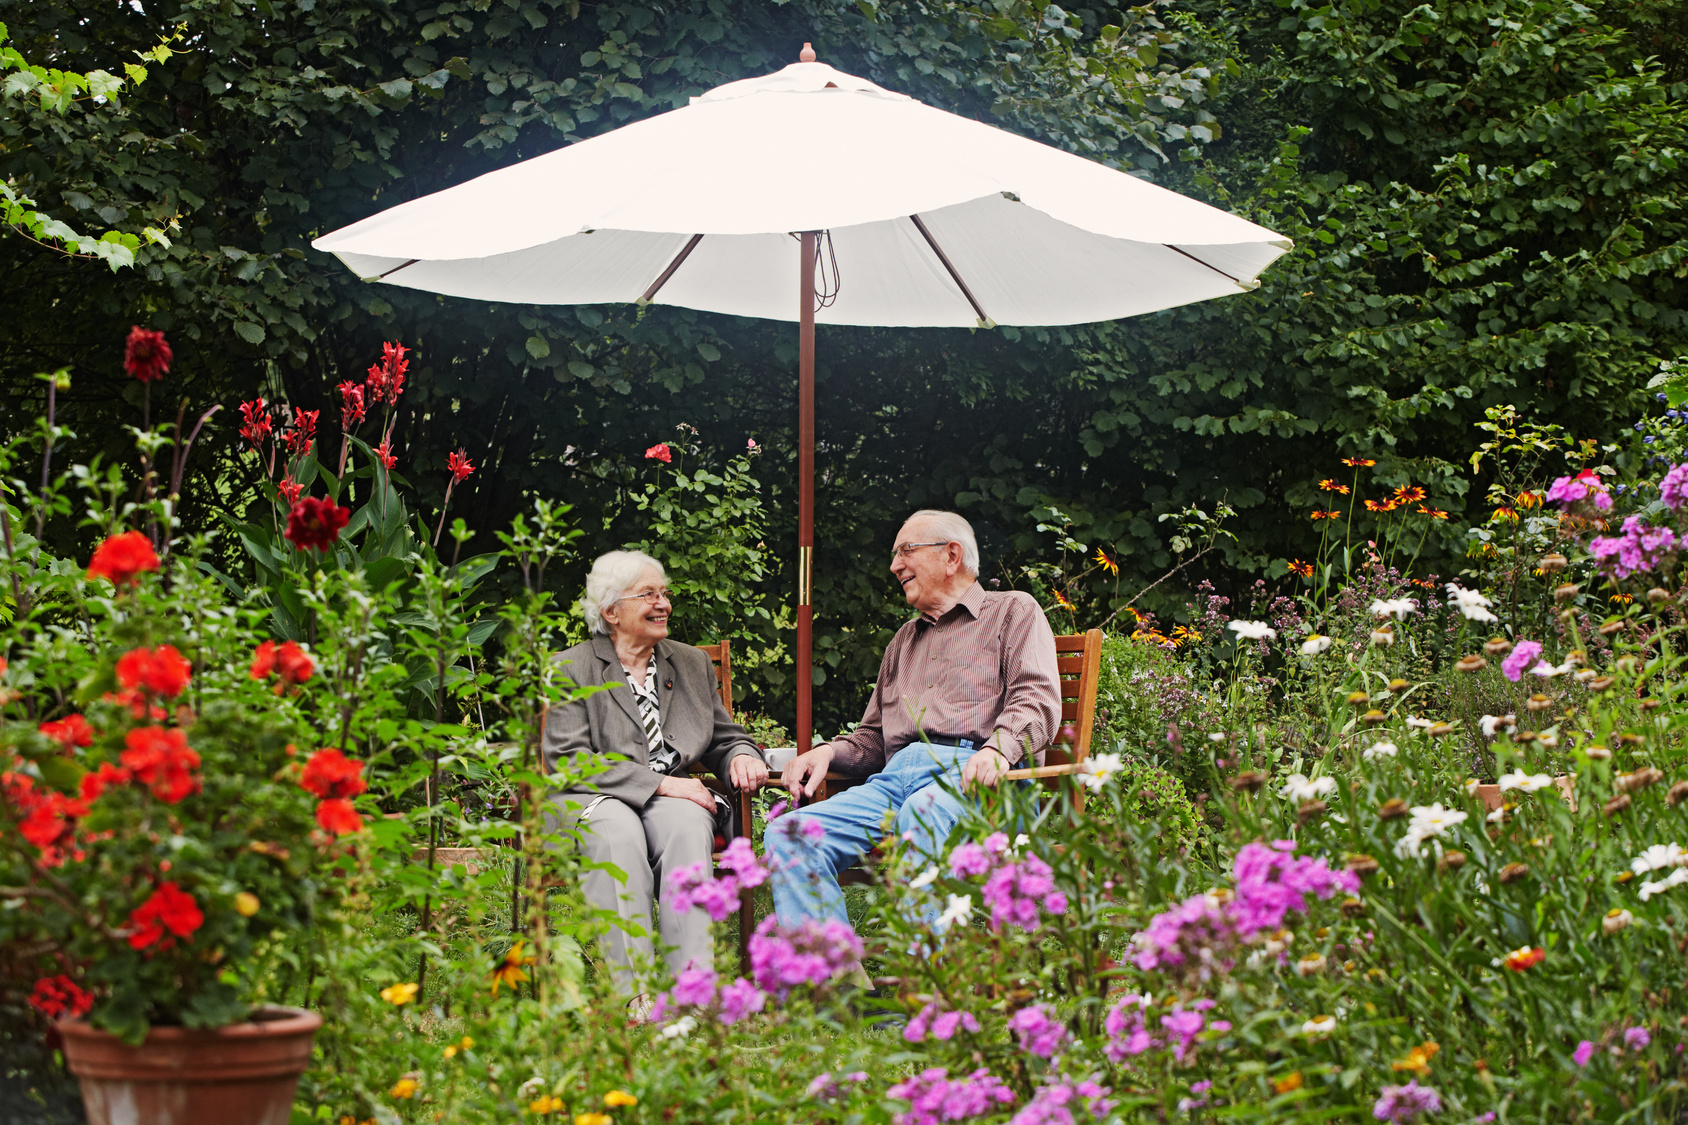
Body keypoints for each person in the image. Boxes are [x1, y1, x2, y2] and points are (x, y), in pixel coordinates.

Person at [767, 510, 1061, 926]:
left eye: (905, 550)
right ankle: (833, 980)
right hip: (896, 782)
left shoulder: (1014, 611)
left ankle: (928, 981)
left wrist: (999, 749)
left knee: (921, 813)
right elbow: (873, 738)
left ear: (952, 555)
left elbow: (1037, 699)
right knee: (788, 834)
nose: (894, 565)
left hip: (981, 779)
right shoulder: (903, 641)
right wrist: (828, 752)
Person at [543, 549, 770, 996]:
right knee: (616, 831)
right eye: (648, 594)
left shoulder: (688, 662)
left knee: (687, 822)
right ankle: (637, 995)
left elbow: (724, 736)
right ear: (611, 611)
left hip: (670, 800)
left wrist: (743, 754)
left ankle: (692, 990)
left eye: (664, 593)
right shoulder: (570, 668)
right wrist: (663, 782)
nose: (663, 603)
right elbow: (569, 760)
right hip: (592, 797)